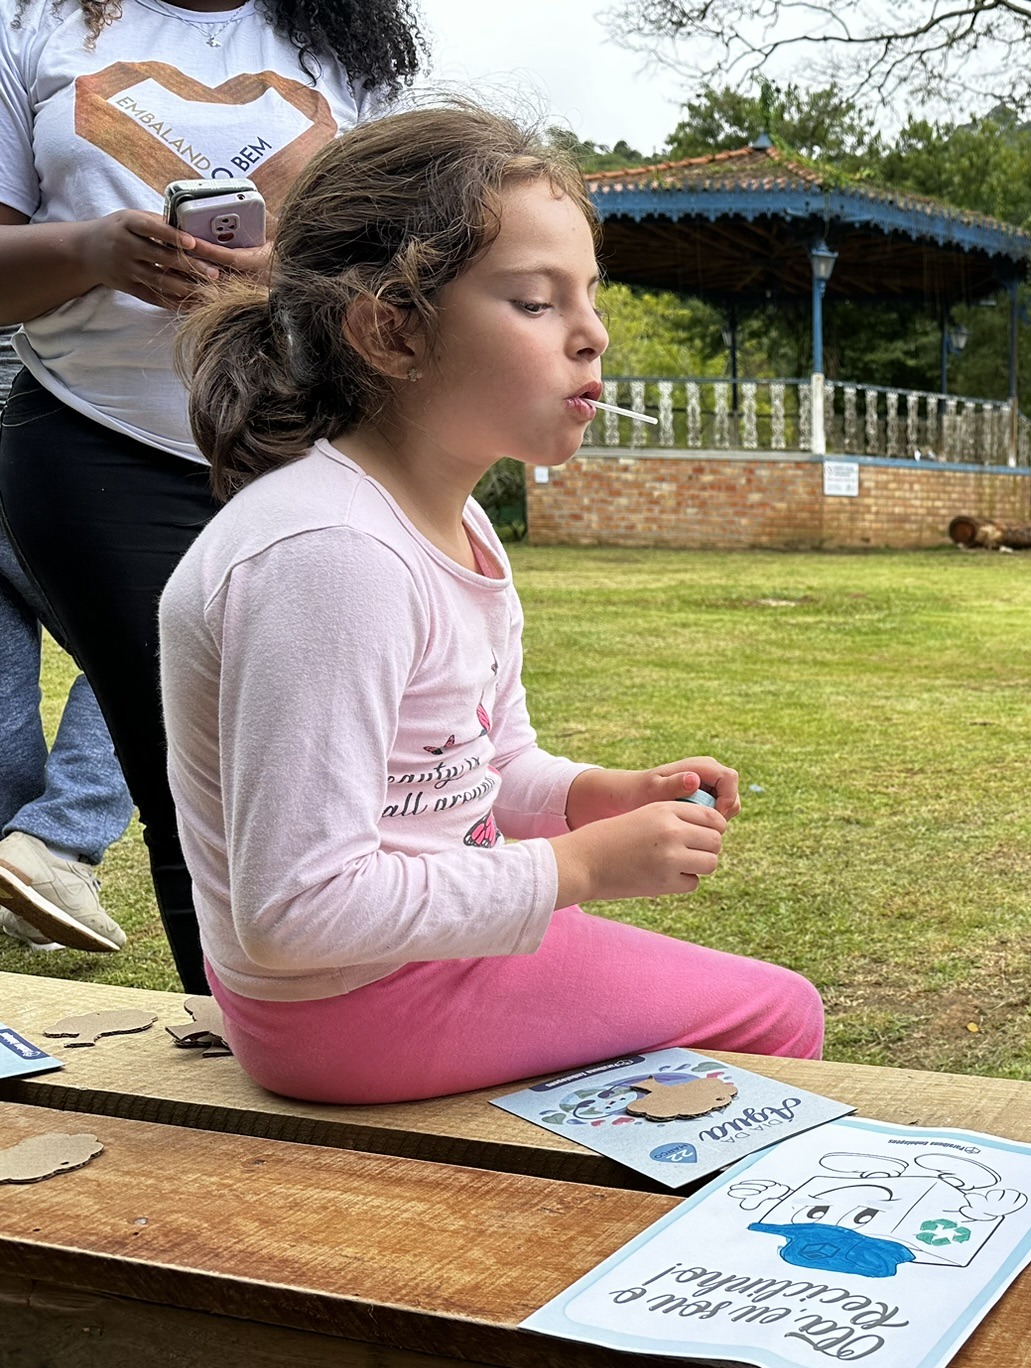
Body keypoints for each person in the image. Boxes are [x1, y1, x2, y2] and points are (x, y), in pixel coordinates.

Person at [158, 107, 823, 1105]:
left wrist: (594, 794)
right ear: (390, 329)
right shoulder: (333, 558)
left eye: (588, 298)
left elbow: (474, 771)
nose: (592, 335)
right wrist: (576, 869)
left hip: (395, 967)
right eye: (533, 303)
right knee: (777, 1014)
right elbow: (294, 910)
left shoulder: (453, 525)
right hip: (348, 1007)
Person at [0, 0, 422, 995]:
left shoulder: (343, 44)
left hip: (305, 447)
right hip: (98, 450)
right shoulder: (37, 26)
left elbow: (406, 268)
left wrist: (294, 272)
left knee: (349, 772)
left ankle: (356, 1035)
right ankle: (251, 1044)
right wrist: (95, 253)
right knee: (192, 784)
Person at [0, 324, 133, 953]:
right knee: (142, 653)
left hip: (47, 427)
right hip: (57, 430)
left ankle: (18, 866)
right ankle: (54, 844)